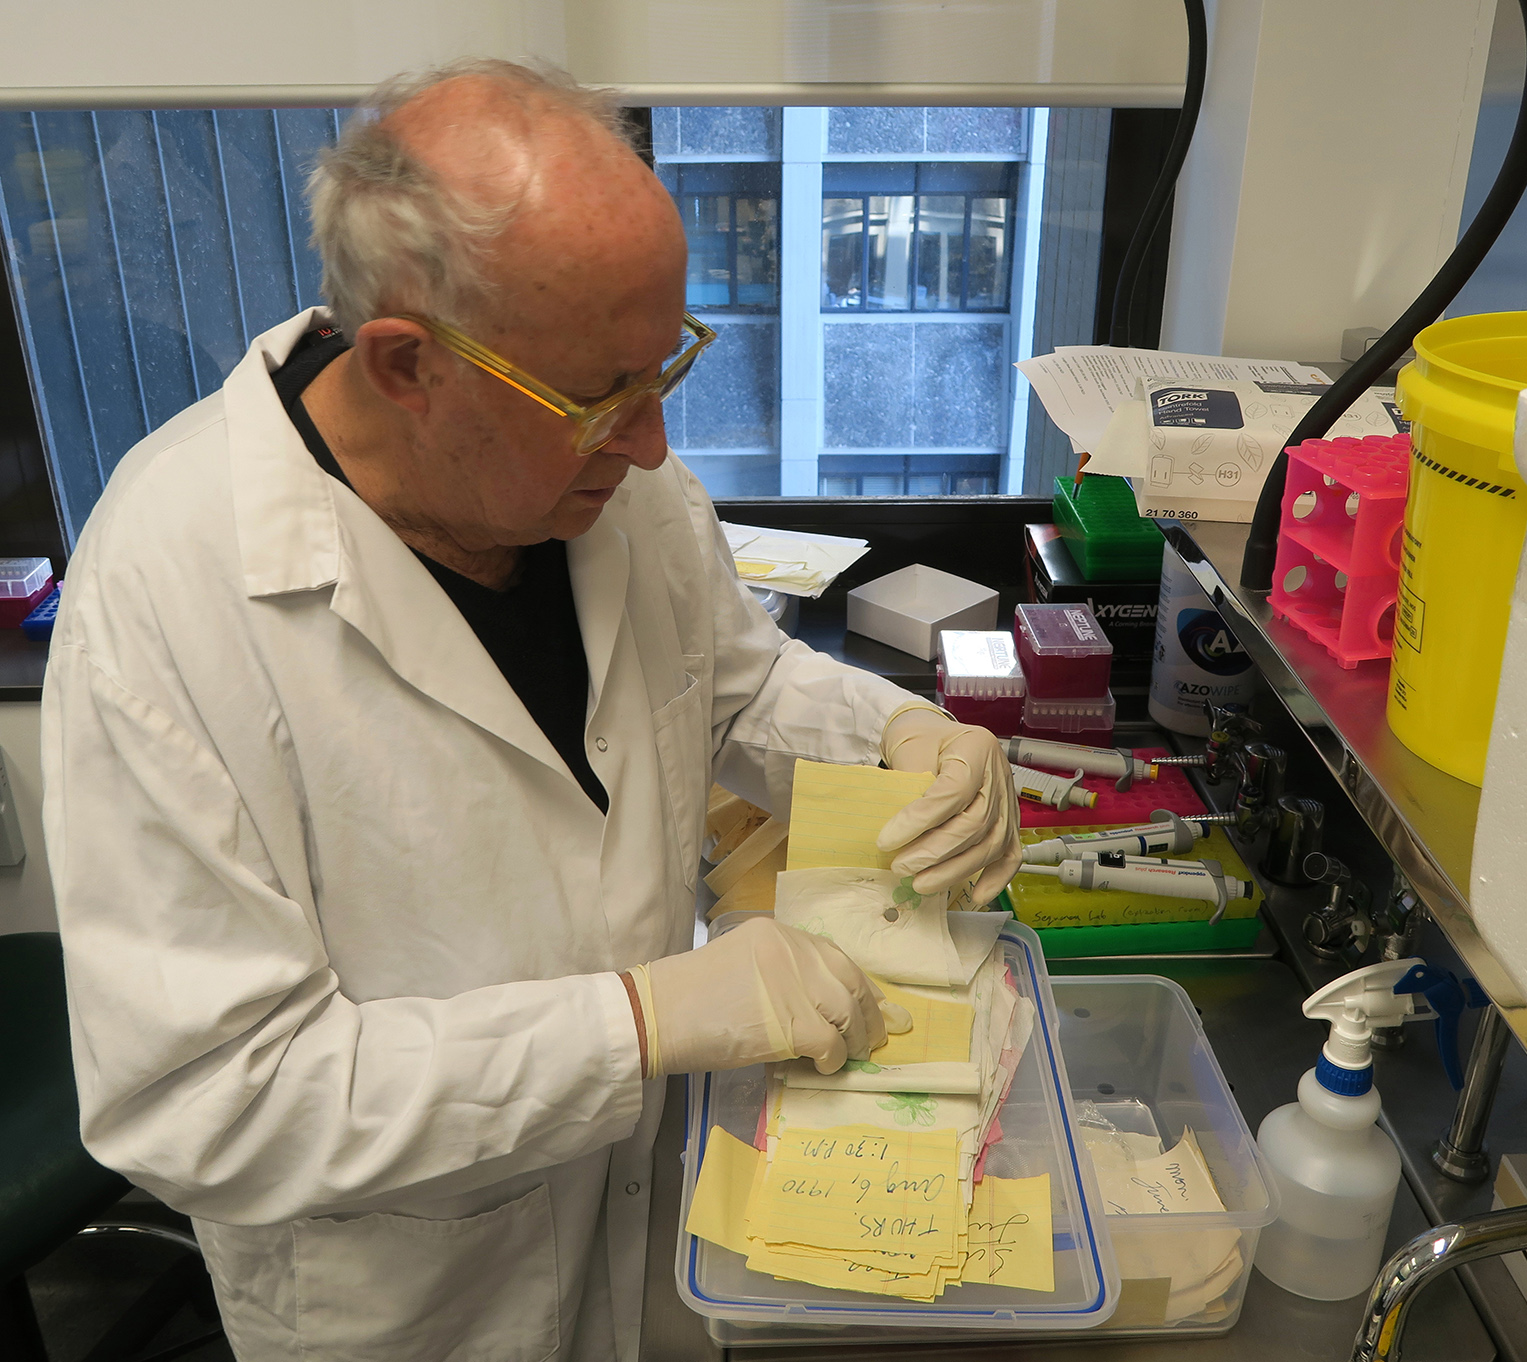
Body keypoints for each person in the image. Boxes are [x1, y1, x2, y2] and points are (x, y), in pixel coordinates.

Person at [40, 58, 1020, 1362]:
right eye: (602, 396)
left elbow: (734, 680)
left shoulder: (601, 474)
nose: (654, 443)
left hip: (651, 1217)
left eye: (664, 367)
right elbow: (214, 1101)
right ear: (406, 365)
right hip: (421, 1298)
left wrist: (900, 734)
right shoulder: (172, 591)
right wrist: (640, 1024)